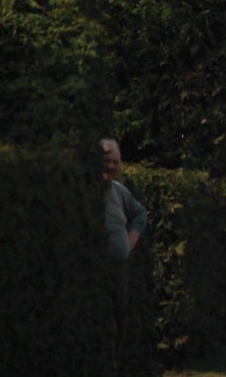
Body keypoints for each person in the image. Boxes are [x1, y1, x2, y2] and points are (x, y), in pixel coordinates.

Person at [103, 138, 147, 370]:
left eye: (115, 162)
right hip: (97, 270)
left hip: (118, 269)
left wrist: (131, 240)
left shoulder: (119, 192)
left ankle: (115, 365)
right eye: (106, 161)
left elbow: (140, 215)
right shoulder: (90, 192)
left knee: (120, 320)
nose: (111, 166)